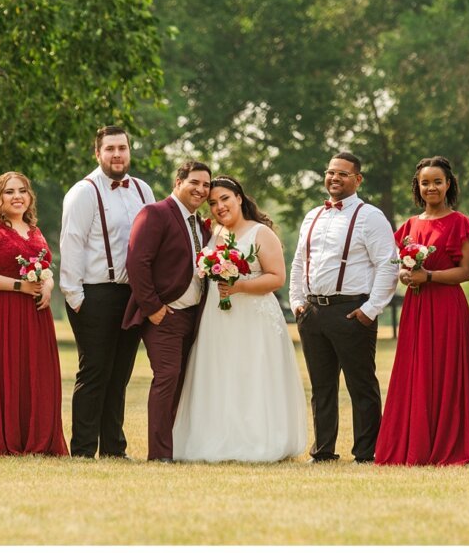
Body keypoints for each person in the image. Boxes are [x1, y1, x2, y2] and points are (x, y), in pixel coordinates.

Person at [173, 175, 307, 462]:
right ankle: (218, 437)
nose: (219, 206)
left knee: (251, 374)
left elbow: (277, 278)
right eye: (213, 203)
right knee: (221, 374)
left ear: (239, 198)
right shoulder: (213, 233)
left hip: (254, 318)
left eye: (225, 199)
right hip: (217, 318)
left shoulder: (260, 233)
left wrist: (240, 286)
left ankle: (257, 439)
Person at [288, 152, 396, 464]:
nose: (335, 178)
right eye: (331, 173)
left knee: (361, 384)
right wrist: (297, 302)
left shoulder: (370, 216)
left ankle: (366, 452)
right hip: (313, 313)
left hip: (351, 310)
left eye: (343, 174)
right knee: (321, 388)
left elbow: (388, 265)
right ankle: (323, 451)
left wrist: (371, 309)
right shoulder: (313, 216)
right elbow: (299, 262)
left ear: (357, 179)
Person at [375, 156, 469, 466]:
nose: (431, 187)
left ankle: (447, 447)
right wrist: (407, 275)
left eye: (437, 181)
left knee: (445, 374)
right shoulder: (409, 225)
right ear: (417, 187)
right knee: (415, 372)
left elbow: (465, 273)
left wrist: (429, 276)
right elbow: (399, 267)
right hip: (416, 307)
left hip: (447, 307)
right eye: (425, 182)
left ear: (449, 184)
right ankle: (412, 445)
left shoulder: (460, 222)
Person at [60, 125, 155, 459]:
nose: (118, 154)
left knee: (120, 376)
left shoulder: (143, 190)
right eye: (110, 148)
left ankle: (114, 449)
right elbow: (71, 244)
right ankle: (83, 450)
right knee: (95, 372)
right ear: (97, 153)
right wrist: (76, 298)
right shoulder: (83, 192)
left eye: (123, 148)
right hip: (94, 293)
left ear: (130, 151)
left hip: (132, 296)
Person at [0, 172, 68, 456]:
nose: (17, 196)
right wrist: (19, 286)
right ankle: (2, 436)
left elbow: (46, 267)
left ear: (30, 196)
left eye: (22, 190)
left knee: (32, 373)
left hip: (33, 313)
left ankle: (35, 437)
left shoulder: (35, 230)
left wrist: (47, 284)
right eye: (9, 192)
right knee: (3, 372)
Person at [123, 161, 212, 462]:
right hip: (165, 316)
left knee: (183, 383)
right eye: (195, 182)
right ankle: (160, 455)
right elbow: (137, 262)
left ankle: (178, 447)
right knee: (167, 378)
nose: (201, 189)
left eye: (206, 185)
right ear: (178, 182)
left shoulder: (199, 224)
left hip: (193, 316)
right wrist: (153, 308)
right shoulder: (155, 213)